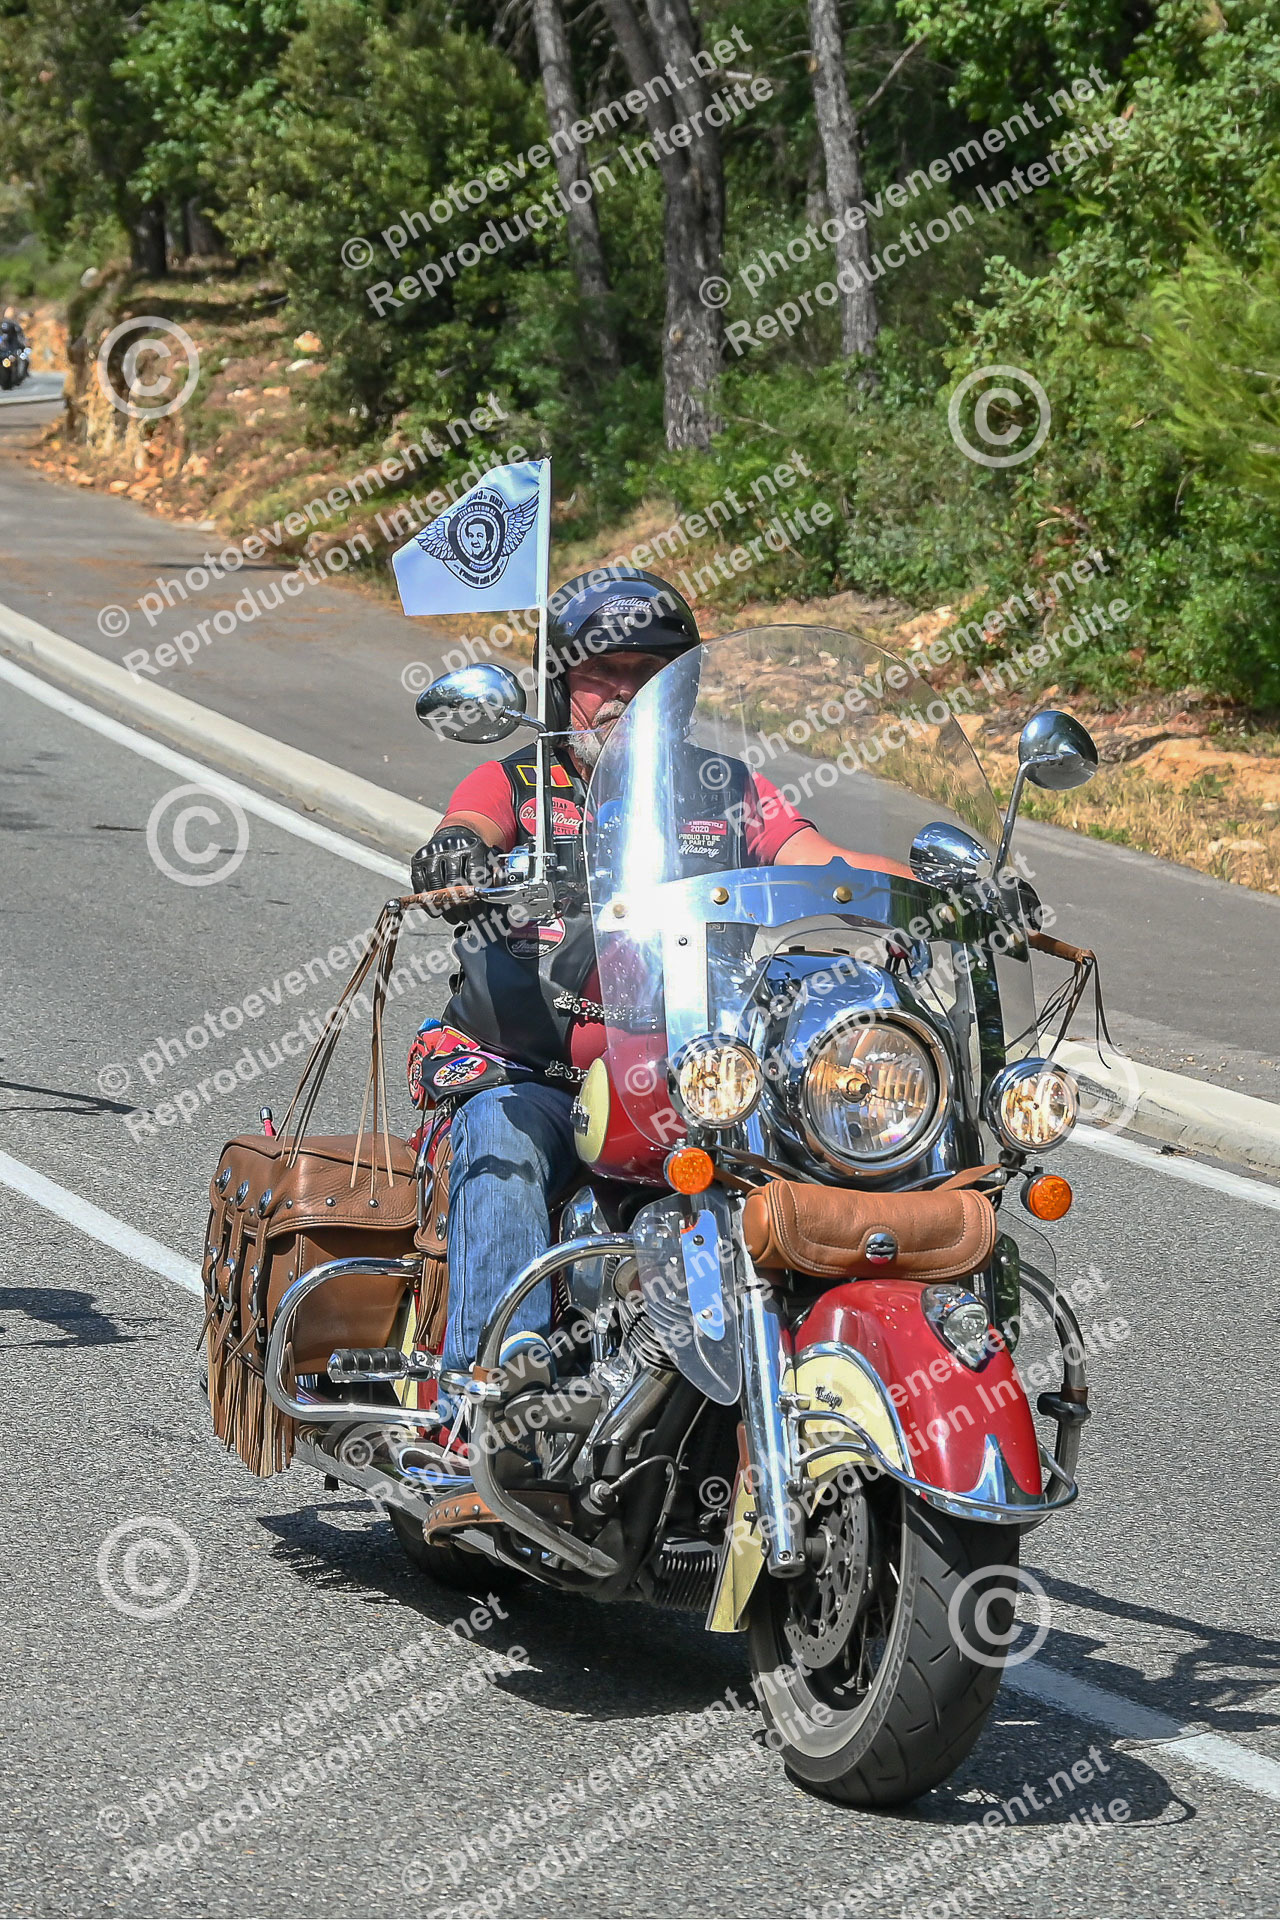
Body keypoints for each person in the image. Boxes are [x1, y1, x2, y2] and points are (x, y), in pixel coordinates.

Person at [410, 567, 908, 1451]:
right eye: (602, 672)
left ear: (680, 692)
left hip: (695, 1078)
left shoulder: (724, 788)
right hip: (541, 1073)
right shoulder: (518, 784)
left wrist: (941, 892)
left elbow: (820, 861)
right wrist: (455, 852)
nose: (622, 694)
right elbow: (470, 826)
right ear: (562, 684)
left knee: (829, 1155)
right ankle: (486, 1407)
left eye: (648, 674)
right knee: (502, 1137)